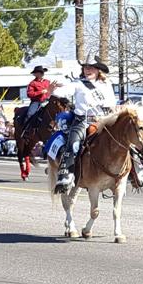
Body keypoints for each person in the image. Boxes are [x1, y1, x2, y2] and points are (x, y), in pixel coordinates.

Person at [50, 59, 117, 192]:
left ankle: (137, 173)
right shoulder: (78, 84)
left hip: (105, 120)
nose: (88, 70)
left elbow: (112, 102)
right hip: (83, 121)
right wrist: (52, 90)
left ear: (98, 70)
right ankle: (66, 176)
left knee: (124, 138)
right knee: (73, 144)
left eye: (91, 68)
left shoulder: (106, 84)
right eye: (86, 68)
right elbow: (61, 92)